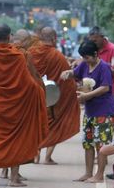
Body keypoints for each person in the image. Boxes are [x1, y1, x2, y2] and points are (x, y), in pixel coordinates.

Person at [0, 24, 48, 187]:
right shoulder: (19, 55)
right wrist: (39, 92)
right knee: (17, 139)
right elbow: (29, 82)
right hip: (17, 105)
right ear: (9, 36)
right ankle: (14, 178)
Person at [60, 41, 114, 181]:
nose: (85, 60)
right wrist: (68, 73)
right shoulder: (84, 65)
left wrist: (87, 96)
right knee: (88, 143)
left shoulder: (104, 67)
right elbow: (75, 73)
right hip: (90, 112)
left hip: (104, 111)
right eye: (84, 58)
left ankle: (99, 175)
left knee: (101, 145)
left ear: (96, 54)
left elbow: (105, 88)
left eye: (88, 57)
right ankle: (88, 172)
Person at [28, 27, 80, 164]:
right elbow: (66, 82)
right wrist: (70, 97)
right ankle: (47, 157)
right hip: (52, 100)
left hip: (34, 98)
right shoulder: (57, 56)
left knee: (37, 126)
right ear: (54, 38)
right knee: (55, 125)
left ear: (39, 37)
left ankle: (35, 154)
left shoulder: (30, 53)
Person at [0, 29, 44, 180]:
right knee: (17, 137)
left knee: (5, 136)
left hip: (2, 100)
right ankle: (14, 173)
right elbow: (32, 77)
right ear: (25, 41)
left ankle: (4, 171)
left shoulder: (2, 52)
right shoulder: (24, 54)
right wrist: (41, 89)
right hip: (21, 101)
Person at [88, 26, 114, 106]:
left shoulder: (113, 49)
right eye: (91, 41)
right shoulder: (92, 48)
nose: (93, 43)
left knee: (107, 118)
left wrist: (101, 69)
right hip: (93, 92)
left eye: (95, 40)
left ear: (102, 37)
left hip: (110, 92)